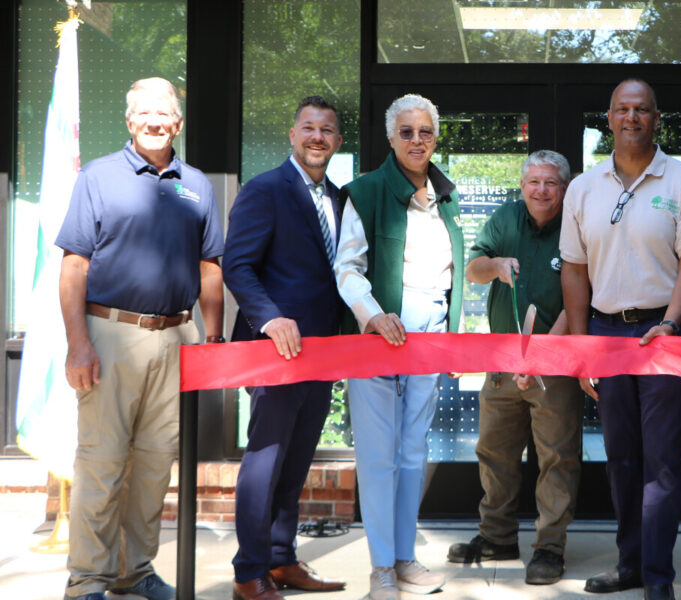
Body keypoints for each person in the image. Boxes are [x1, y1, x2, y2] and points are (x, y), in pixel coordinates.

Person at [56, 77, 224, 600]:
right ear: (130, 121)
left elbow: (210, 268)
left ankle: (134, 570)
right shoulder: (98, 177)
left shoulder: (196, 184)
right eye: (144, 113)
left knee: (154, 465)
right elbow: (74, 266)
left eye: (165, 113)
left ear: (178, 122)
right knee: (102, 462)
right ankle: (88, 579)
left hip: (178, 338)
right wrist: (78, 343)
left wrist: (212, 338)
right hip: (110, 335)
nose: (155, 121)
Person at [560, 79, 681, 600]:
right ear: (608, 118)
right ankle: (629, 564)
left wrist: (671, 321)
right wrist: (581, 348)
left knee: (664, 461)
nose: (632, 118)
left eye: (642, 110)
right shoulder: (583, 187)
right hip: (605, 332)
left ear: (657, 117)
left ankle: (657, 578)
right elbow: (575, 272)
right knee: (621, 457)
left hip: (664, 331)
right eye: (622, 109)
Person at [334, 93, 460, 600]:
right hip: (379, 335)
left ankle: (405, 558)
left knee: (413, 452)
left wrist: (450, 336)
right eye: (405, 132)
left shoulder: (444, 193)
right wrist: (372, 316)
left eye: (424, 131)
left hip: (429, 335)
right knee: (378, 455)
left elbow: (451, 275)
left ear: (435, 137)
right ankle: (381, 567)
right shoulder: (363, 192)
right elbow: (347, 269)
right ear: (391, 138)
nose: (416, 140)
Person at [223, 96, 348, 600]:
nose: (318, 136)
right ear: (292, 136)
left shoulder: (340, 199)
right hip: (274, 351)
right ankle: (248, 572)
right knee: (265, 459)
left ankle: (280, 558)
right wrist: (270, 317)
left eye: (328, 130)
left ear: (338, 142)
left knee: (297, 460)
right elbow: (238, 265)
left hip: (323, 352)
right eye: (309, 128)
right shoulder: (265, 189)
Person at [446, 150, 583, 585]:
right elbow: (472, 269)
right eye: (534, 182)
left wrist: (542, 354)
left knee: (556, 458)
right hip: (502, 361)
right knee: (494, 453)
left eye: (551, 183)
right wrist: (497, 266)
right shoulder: (504, 219)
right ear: (522, 186)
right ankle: (497, 537)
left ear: (565, 187)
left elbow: (584, 293)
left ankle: (548, 549)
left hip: (555, 361)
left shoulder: (577, 223)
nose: (541, 190)